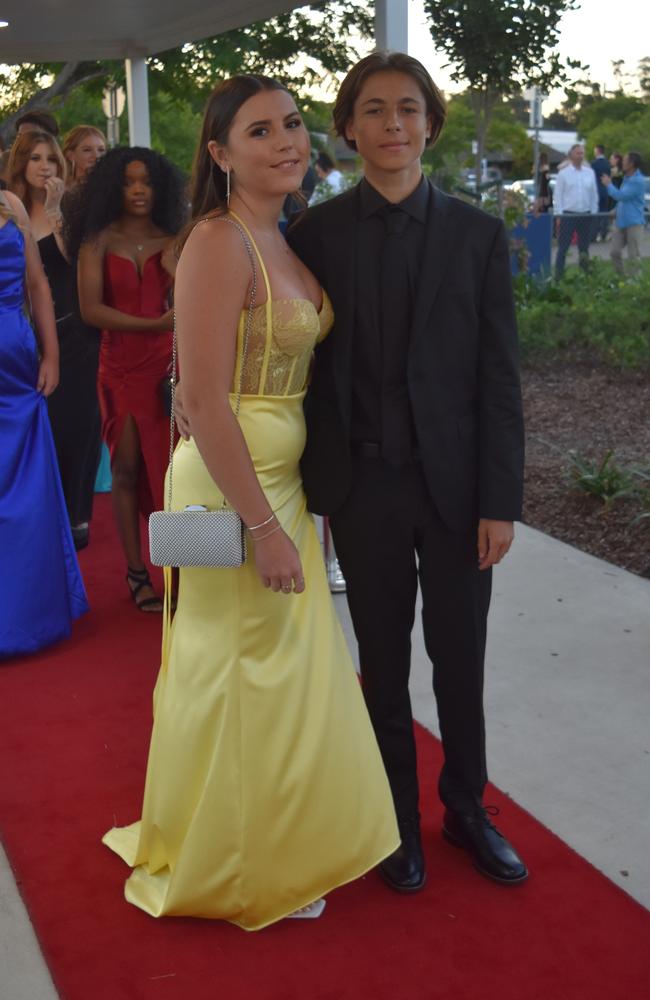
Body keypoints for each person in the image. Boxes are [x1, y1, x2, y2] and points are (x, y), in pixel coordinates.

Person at [102, 74, 399, 929]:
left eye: (295, 125)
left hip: (281, 486)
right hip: (231, 493)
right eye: (261, 131)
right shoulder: (219, 242)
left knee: (273, 671)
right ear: (221, 154)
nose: (287, 142)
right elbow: (204, 392)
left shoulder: (285, 237)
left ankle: (270, 841)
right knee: (233, 668)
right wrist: (266, 530)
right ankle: (235, 861)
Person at [286, 52, 528, 892]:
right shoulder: (310, 236)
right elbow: (300, 369)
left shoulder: (478, 234)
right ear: (347, 128)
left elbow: (499, 376)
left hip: (458, 492)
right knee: (382, 663)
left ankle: (466, 808)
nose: (394, 124)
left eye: (410, 109)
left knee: (460, 657)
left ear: (431, 123)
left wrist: (501, 500)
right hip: (362, 487)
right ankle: (394, 820)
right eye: (376, 109)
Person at [67, 147, 186, 610]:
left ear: (161, 187)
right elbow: (91, 310)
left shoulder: (176, 238)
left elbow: (188, 299)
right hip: (118, 367)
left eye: (147, 182)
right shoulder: (96, 240)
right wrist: (156, 325)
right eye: (129, 182)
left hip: (167, 369)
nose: (138, 190)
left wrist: (178, 278)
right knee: (126, 469)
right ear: (113, 188)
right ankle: (137, 571)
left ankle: (181, 575)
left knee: (174, 474)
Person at [0, 188, 88, 658]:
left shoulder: (10, 204)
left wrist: (51, 353)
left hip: (15, 360)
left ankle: (29, 613)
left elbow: (37, 284)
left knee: (26, 480)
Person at [8, 129, 102, 550]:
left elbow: (73, 262)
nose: (44, 166)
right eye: (34, 158)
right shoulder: (10, 207)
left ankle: (78, 515)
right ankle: (47, 512)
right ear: (20, 164)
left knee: (77, 425)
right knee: (41, 425)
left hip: (76, 328)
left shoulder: (69, 206)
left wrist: (55, 207)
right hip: (25, 334)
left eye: (49, 158)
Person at [553, 143, 598, 278]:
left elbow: (593, 193)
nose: (580, 155)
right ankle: (559, 275)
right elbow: (558, 195)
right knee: (563, 247)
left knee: (584, 247)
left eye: (582, 153)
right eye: (578, 153)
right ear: (571, 155)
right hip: (568, 214)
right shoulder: (563, 174)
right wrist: (559, 214)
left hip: (585, 214)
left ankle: (584, 274)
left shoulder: (589, 173)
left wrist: (593, 212)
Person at [601, 151, 646, 277]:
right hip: (621, 222)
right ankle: (621, 277)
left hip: (634, 223)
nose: (622, 162)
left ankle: (634, 282)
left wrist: (609, 184)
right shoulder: (626, 178)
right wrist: (615, 210)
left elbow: (622, 196)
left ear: (631, 164)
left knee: (633, 255)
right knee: (614, 252)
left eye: (625, 160)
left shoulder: (637, 181)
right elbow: (626, 200)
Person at [591, 143, 610, 240]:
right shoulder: (608, 163)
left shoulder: (594, 164)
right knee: (604, 213)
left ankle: (593, 234)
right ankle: (604, 233)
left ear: (597, 151)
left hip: (596, 191)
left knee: (595, 213)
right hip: (606, 190)